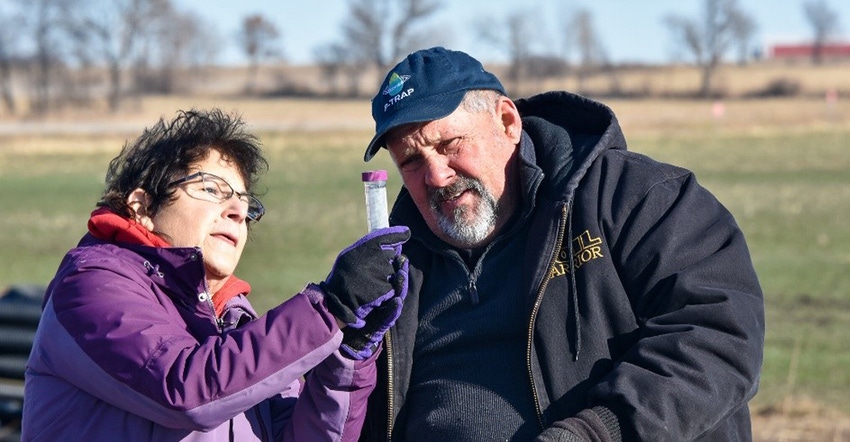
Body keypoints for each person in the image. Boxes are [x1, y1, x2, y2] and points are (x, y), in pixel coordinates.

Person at [357, 47, 765, 441]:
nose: (436, 176)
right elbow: (342, 397)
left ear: (507, 121)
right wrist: (337, 316)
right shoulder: (391, 271)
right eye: (411, 162)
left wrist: (597, 431)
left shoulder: (638, 199)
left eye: (450, 145)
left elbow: (719, 334)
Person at [22, 109, 411, 441]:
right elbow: (185, 388)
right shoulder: (92, 284)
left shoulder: (235, 320)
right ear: (142, 206)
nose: (237, 211)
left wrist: (346, 352)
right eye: (212, 189)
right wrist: (329, 306)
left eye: (245, 203)